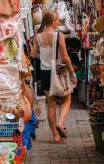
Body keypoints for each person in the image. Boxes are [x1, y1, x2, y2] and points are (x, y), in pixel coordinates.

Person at [30, 9, 75, 141]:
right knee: (67, 99)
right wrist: (72, 71)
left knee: (51, 104)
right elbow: (65, 56)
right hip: (59, 72)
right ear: (53, 21)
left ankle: (55, 135)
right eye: (58, 20)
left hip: (45, 73)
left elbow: (33, 55)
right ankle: (60, 123)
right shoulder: (58, 35)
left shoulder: (38, 36)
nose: (58, 23)